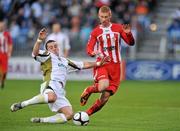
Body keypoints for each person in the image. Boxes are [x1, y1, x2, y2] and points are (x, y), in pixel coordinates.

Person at [10, 28, 109, 124]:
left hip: (60, 90)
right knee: (52, 97)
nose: (54, 48)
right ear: (47, 49)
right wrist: (39, 40)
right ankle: (23, 104)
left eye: (55, 46)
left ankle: (41, 120)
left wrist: (97, 64)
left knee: (69, 114)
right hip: (50, 85)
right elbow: (35, 53)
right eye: (51, 47)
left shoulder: (65, 61)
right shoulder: (47, 55)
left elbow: (82, 64)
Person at [80, 5, 135, 116]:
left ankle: (86, 115)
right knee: (103, 86)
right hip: (103, 64)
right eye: (102, 17)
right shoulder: (95, 32)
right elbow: (89, 47)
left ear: (110, 16)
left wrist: (129, 33)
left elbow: (131, 43)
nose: (104, 19)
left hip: (116, 66)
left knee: (105, 98)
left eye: (106, 17)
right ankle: (89, 90)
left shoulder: (118, 28)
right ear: (98, 16)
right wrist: (92, 53)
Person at [0, 20, 13, 89]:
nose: (1, 27)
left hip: (4, 54)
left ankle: (3, 81)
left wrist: (9, 52)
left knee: (4, 71)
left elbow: (10, 44)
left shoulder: (7, 34)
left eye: (2, 26)